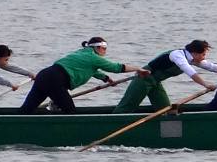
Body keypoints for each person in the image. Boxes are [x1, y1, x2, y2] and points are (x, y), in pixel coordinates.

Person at [19, 37, 150, 114]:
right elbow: (117, 68)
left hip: (44, 76)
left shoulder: (82, 53)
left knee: (26, 110)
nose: (105, 51)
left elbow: (91, 70)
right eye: (104, 48)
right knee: (70, 112)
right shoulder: (94, 58)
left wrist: (106, 78)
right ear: (97, 48)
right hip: (54, 80)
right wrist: (138, 69)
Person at [111, 40, 217, 113]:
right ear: (195, 53)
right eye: (203, 54)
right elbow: (191, 73)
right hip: (143, 79)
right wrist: (206, 84)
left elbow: (212, 67)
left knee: (165, 110)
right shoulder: (178, 55)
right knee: (127, 106)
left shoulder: (192, 59)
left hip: (155, 82)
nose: (204, 57)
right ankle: (111, 125)